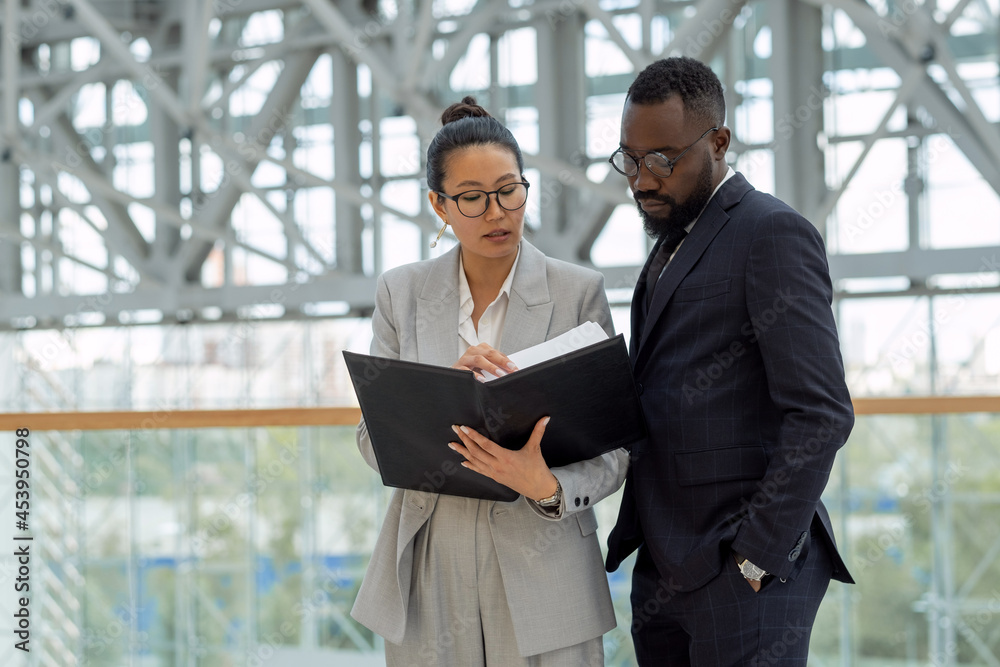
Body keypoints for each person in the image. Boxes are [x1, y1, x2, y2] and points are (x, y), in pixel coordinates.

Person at [350, 96, 629, 667]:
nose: (496, 212)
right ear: (440, 205)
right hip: (429, 564)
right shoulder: (400, 295)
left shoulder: (578, 292)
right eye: (472, 199)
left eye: (509, 191)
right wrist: (429, 400)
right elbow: (369, 436)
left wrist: (547, 485)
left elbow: (617, 445)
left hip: (544, 565)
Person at [604, 57, 855, 666]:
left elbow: (822, 413)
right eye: (629, 160)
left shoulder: (771, 233)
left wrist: (755, 554)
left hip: (744, 570)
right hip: (665, 562)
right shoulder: (671, 242)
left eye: (662, 159)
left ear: (718, 142)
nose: (642, 179)